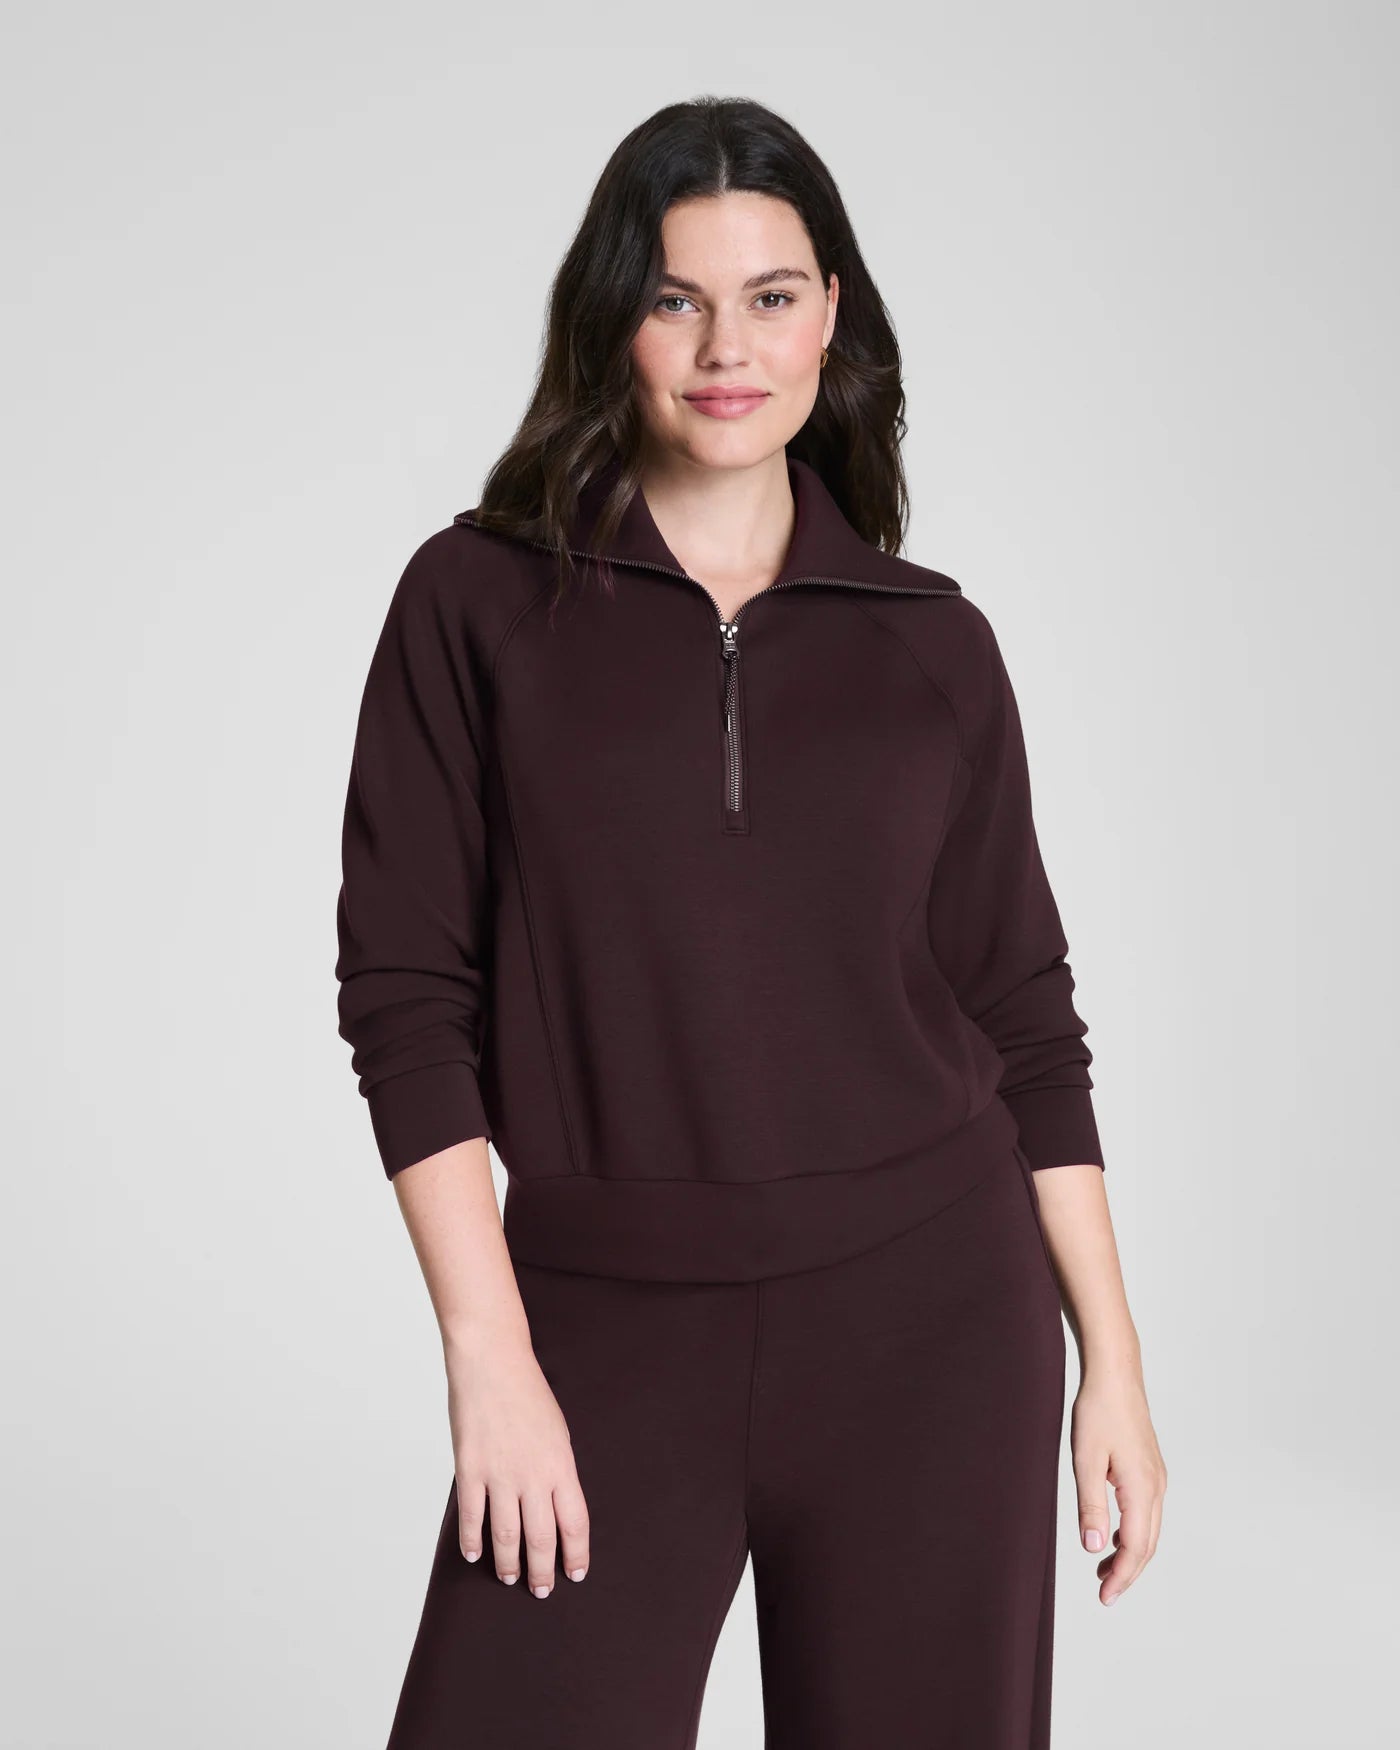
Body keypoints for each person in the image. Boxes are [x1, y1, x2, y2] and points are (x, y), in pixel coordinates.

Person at [334, 94, 1166, 1750]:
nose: (729, 347)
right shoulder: (477, 601)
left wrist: (1115, 1365)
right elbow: (407, 995)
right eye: (678, 298)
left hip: (933, 1320)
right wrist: (488, 1353)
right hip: (602, 1315)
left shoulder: (932, 644)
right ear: (613, 319)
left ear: (829, 313)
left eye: (771, 296)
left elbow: (1022, 1009)